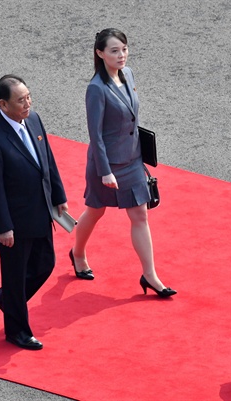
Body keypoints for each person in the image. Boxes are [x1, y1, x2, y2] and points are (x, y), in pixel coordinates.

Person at [70, 28, 176, 297]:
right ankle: (78, 253)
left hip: (132, 158)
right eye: (114, 51)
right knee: (96, 210)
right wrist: (105, 171)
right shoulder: (96, 89)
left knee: (140, 214)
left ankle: (150, 275)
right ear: (100, 54)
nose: (121, 55)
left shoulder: (128, 74)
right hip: (107, 164)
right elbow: (95, 135)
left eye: (124, 49)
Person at [0, 75, 68, 350]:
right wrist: (3, 226)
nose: (28, 103)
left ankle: (7, 299)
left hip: (39, 211)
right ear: (3, 104)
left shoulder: (34, 119)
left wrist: (59, 196)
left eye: (29, 96)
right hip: (14, 223)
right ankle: (17, 330)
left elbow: (46, 158)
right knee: (15, 276)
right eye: (21, 100)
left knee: (45, 264)